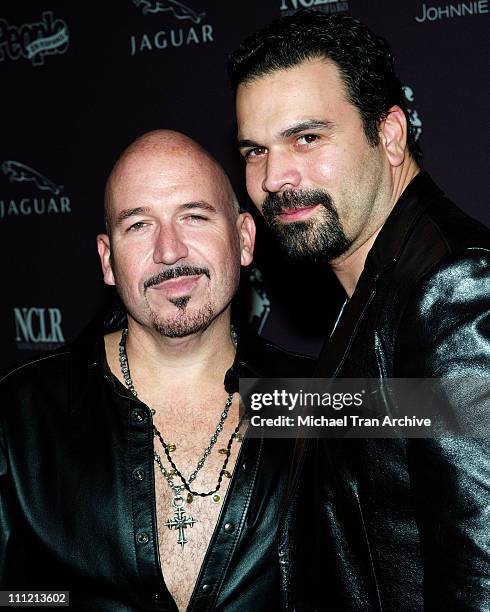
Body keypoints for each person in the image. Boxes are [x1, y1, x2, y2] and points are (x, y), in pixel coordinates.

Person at [229, 11, 490, 611]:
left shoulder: (455, 287)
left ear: (391, 134)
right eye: (254, 150)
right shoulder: (378, 290)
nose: (275, 177)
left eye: (307, 137)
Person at [0, 130, 312, 611]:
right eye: (139, 225)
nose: (170, 251)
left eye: (194, 216)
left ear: (245, 238)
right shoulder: (18, 412)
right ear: (107, 260)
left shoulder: (325, 398)